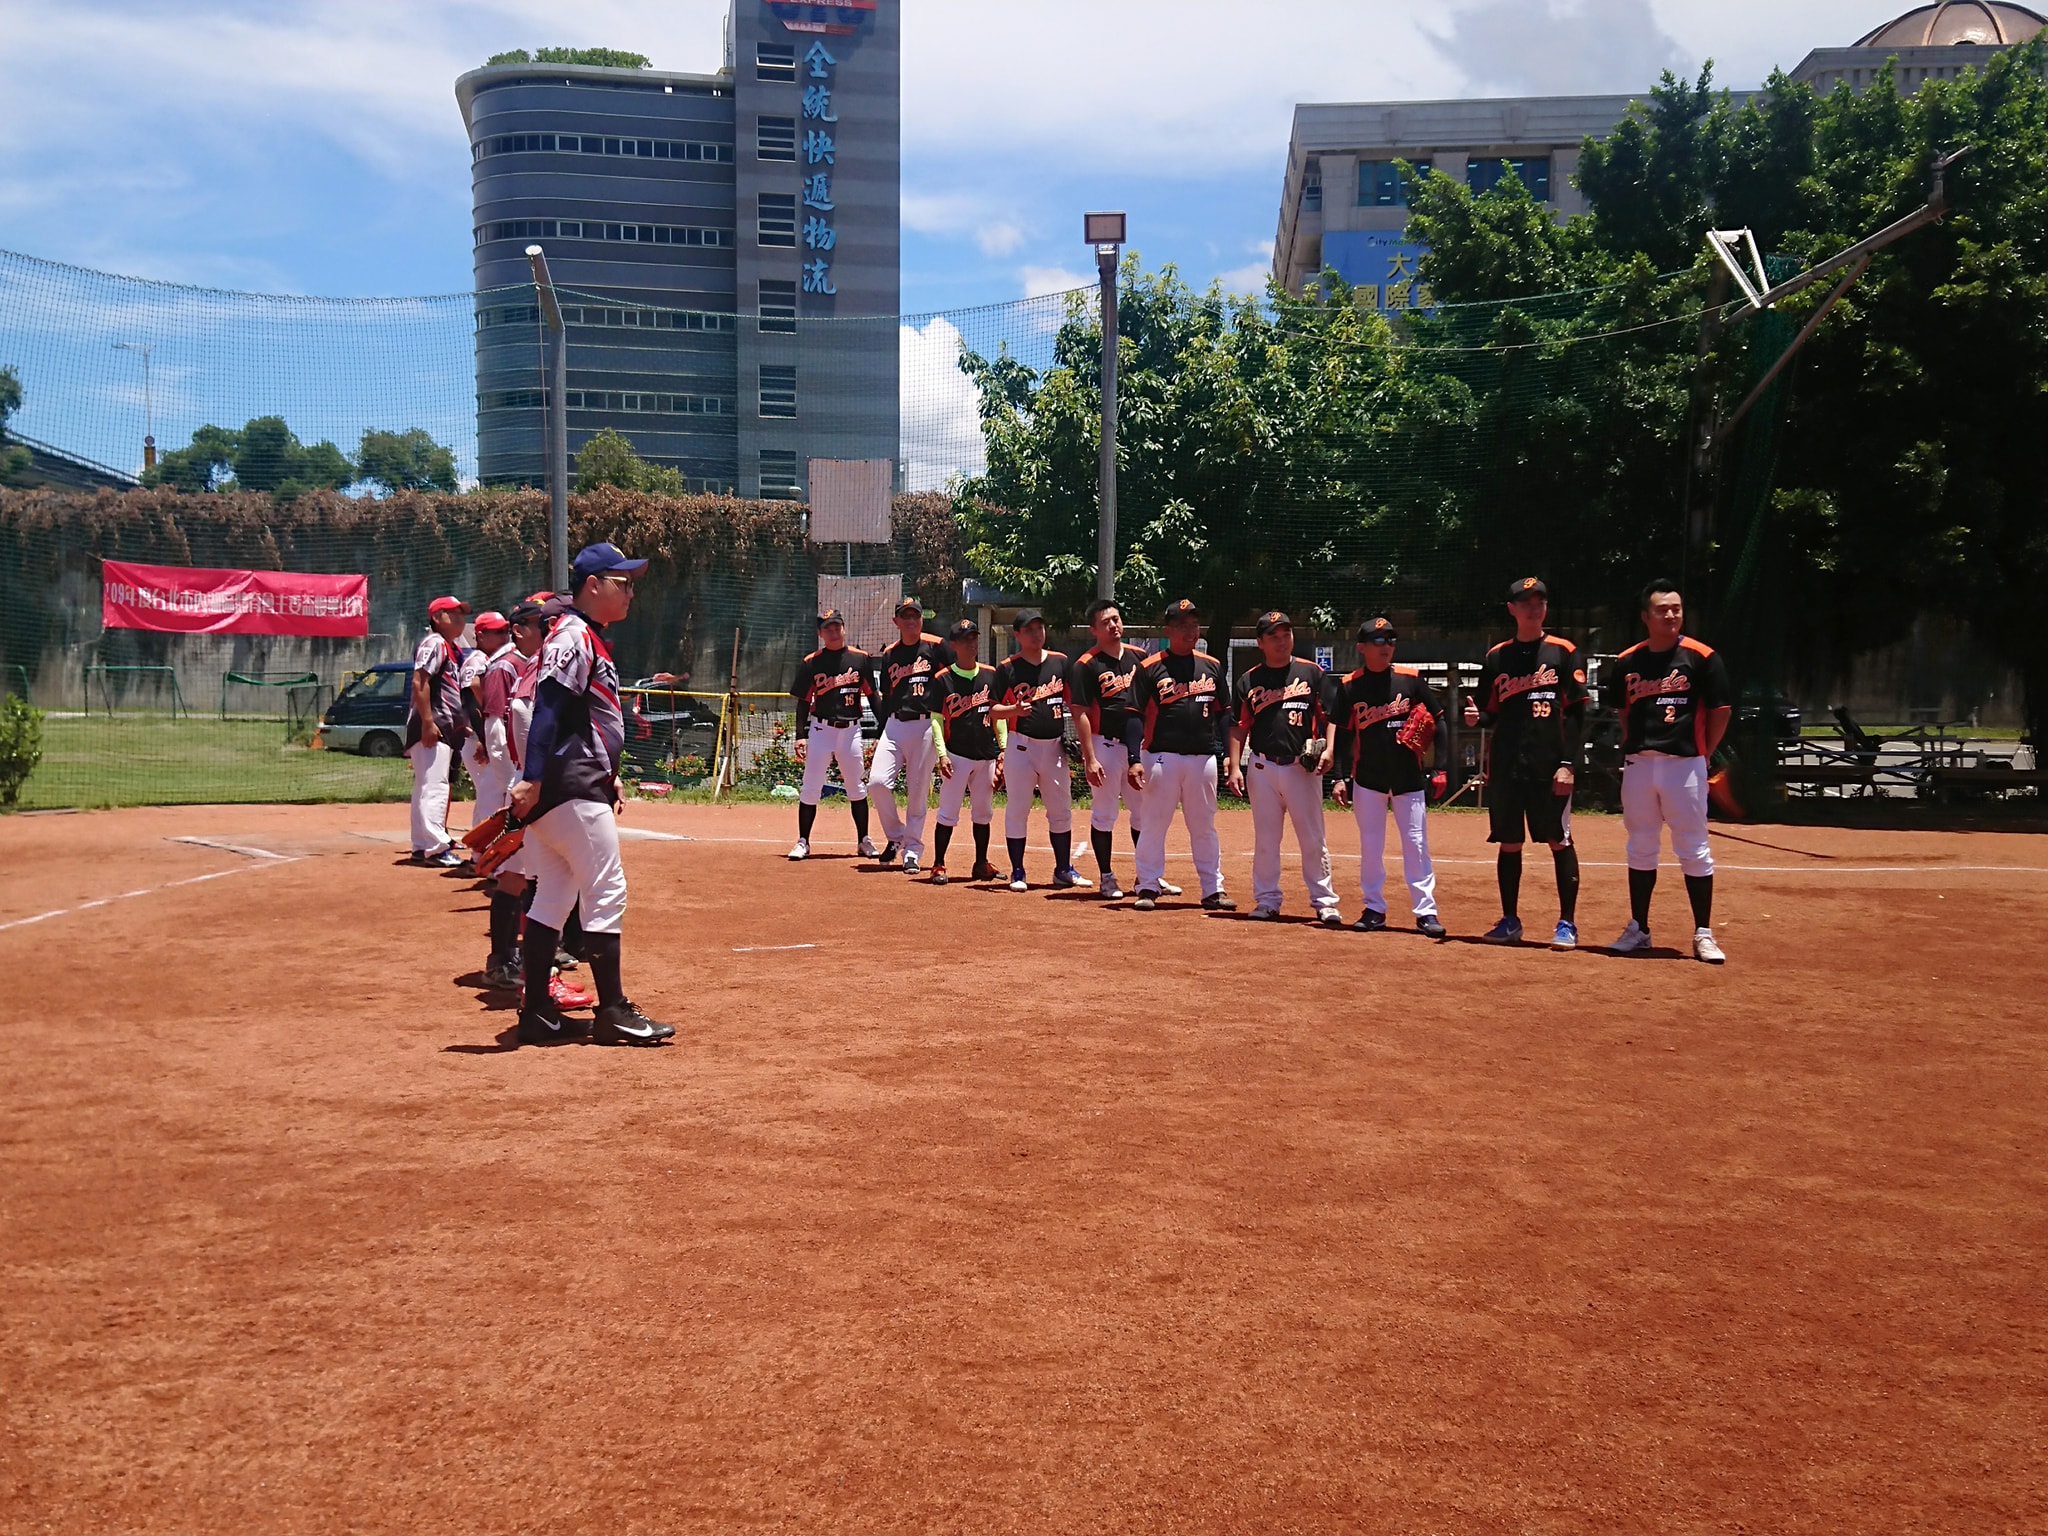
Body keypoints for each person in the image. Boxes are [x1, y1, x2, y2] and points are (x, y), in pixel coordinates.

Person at [507, 542, 675, 1047]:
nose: (630, 592)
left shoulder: (581, 636)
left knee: (554, 896)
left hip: (569, 786)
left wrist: (607, 772)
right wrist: (533, 777)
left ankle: (537, 1011)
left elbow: (575, 716)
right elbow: (549, 709)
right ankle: (614, 1011)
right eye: (622, 582)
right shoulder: (575, 635)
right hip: (570, 788)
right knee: (605, 890)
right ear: (593, 585)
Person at [1605, 580, 1734, 963]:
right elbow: (1624, 711)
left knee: (1694, 847)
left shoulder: (1702, 657)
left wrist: (1703, 752)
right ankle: (1639, 929)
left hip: (1685, 764)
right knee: (1641, 846)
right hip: (1640, 765)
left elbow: (1721, 711)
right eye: (1662, 609)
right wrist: (1636, 746)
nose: (1671, 615)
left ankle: (1703, 933)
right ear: (1645, 616)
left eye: (1676, 608)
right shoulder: (1627, 661)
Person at [478, 600, 594, 1006]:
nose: (549, 629)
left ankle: (533, 970)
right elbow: (511, 726)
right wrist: (523, 782)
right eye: (541, 623)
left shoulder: (537, 662)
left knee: (533, 878)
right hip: (532, 786)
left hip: (531, 783)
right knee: (525, 879)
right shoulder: (523, 666)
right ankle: (513, 966)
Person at [1462, 577, 1588, 948]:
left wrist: (1568, 763)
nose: (1534, 608)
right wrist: (1478, 718)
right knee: (1510, 841)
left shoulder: (1563, 652)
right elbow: (1490, 711)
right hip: (1506, 764)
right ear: (1512, 609)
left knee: (1558, 839)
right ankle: (1510, 920)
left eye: (1540, 601)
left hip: (1550, 765)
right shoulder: (1496, 657)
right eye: (1526, 602)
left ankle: (1567, 923)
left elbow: (1578, 714)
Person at [1332, 617, 1448, 938]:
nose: (1387, 647)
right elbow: (1343, 736)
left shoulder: (1411, 680)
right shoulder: (1349, 685)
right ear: (1362, 648)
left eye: (1391, 640)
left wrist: (1441, 768)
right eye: (1379, 641)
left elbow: (1440, 721)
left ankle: (1426, 912)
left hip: (1408, 778)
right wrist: (1339, 777)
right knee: (1371, 847)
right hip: (1368, 779)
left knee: (1416, 845)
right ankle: (1374, 908)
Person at [1225, 611, 1340, 924]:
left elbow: (1331, 717)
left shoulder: (1312, 673)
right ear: (1260, 642)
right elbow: (1238, 726)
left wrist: (1330, 749)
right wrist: (1234, 766)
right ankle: (1266, 900)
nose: (1281, 641)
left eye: (1286, 634)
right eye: (1273, 636)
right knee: (1266, 839)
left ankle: (1325, 902)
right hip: (1262, 768)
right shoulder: (1249, 680)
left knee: (1313, 838)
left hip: (1302, 769)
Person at [1126, 599, 1234, 912]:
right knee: (1154, 824)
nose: (1190, 631)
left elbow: (1225, 713)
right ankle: (1148, 885)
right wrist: (1134, 758)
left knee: (1204, 826)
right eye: (1183, 625)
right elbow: (1133, 715)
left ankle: (1212, 889)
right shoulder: (1150, 667)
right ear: (1168, 630)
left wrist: (1229, 753)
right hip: (1161, 757)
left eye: (1195, 625)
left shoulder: (1212, 666)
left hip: (1203, 758)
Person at [1073, 598, 1166, 901]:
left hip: (1137, 748)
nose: (1113, 625)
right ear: (1093, 630)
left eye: (1116, 619)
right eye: (1105, 622)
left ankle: (1147, 876)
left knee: (1144, 813)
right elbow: (1079, 712)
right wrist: (1089, 758)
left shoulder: (1140, 657)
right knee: (1104, 813)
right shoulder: (1087, 664)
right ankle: (1106, 877)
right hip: (1106, 745)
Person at [991, 609, 1090, 891]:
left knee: (1061, 810)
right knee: (1018, 809)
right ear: (1018, 635)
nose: (1036, 634)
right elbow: (992, 710)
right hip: (1021, 747)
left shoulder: (1060, 662)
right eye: (1029, 630)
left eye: (1039, 628)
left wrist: (1084, 746)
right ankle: (1018, 871)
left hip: (1054, 748)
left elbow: (1075, 705)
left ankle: (1063, 869)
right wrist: (1014, 709)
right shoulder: (1007, 668)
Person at [865, 597, 951, 875]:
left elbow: (953, 682)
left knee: (917, 792)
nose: (912, 620)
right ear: (896, 621)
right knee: (877, 783)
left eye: (915, 615)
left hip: (926, 725)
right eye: (906, 616)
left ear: (922, 619)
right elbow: (887, 696)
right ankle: (896, 836)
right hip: (895, 724)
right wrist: (880, 732)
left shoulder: (937, 646)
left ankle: (912, 850)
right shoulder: (890, 654)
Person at [787, 608, 881, 862]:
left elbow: (873, 696)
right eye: (828, 628)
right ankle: (803, 841)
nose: (833, 631)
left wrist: (883, 730)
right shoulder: (812, 662)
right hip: (821, 730)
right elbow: (803, 702)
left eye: (837, 626)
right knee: (811, 787)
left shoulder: (860, 659)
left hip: (851, 731)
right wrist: (800, 735)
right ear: (820, 633)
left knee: (856, 787)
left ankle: (863, 840)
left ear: (844, 628)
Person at [925, 618, 1006, 886]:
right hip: (957, 755)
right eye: (965, 639)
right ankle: (938, 864)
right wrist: (942, 754)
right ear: (954, 645)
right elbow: (936, 720)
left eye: (974, 638)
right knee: (948, 812)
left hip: (986, 755)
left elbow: (998, 715)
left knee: (983, 813)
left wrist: (1003, 749)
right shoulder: (943, 679)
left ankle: (981, 863)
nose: (972, 643)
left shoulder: (990, 674)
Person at [406, 595, 471, 866]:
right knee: (435, 786)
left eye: (461, 614)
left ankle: (423, 845)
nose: (459, 618)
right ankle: (435, 848)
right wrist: (428, 722)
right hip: (433, 723)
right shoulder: (435, 643)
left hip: (441, 723)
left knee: (427, 785)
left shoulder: (449, 646)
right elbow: (420, 681)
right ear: (435, 618)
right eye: (451, 613)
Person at [463, 612, 514, 824]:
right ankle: (484, 841)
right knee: (491, 793)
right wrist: (484, 739)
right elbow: (471, 697)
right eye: (498, 632)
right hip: (477, 739)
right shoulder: (478, 660)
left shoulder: (492, 659)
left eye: (506, 631)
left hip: (481, 737)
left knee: (490, 792)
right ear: (481, 636)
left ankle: (480, 839)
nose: (504, 636)